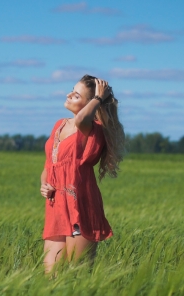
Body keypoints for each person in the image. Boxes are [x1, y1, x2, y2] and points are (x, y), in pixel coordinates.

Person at [40, 74, 125, 274]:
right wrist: (44, 184)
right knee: (49, 276)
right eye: (72, 90)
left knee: (76, 275)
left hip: (80, 205)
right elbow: (49, 164)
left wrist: (98, 98)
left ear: (91, 105)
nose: (69, 95)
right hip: (56, 206)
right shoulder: (59, 124)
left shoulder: (91, 128)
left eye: (77, 95)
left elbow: (81, 119)